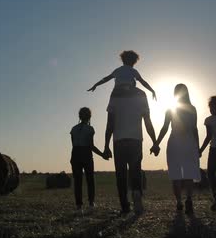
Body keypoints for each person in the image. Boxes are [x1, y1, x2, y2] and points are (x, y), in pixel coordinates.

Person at [104, 86, 156, 214]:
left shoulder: (115, 93)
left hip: (119, 140)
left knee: (120, 174)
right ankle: (137, 196)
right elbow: (147, 120)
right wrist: (154, 141)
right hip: (136, 139)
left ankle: (124, 206)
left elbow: (110, 122)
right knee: (135, 171)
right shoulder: (141, 93)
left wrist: (106, 145)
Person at [151, 84, 200, 214]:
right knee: (189, 174)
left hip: (175, 142)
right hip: (189, 142)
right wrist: (198, 146)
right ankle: (188, 199)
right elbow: (195, 128)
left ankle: (179, 202)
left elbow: (165, 128)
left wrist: (156, 143)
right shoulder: (192, 109)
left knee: (176, 174)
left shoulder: (171, 109)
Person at [70, 107, 107, 210]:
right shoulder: (90, 129)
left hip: (75, 154)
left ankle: (79, 206)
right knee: (90, 180)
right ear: (89, 117)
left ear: (79, 116)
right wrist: (102, 154)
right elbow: (91, 146)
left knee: (78, 181)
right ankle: (91, 203)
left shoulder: (73, 129)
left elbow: (73, 145)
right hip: (86, 154)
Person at [87, 50, 157, 101]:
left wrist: (96, 84)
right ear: (134, 62)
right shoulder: (133, 71)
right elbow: (143, 82)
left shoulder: (118, 70)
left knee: (111, 113)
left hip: (116, 92)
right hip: (129, 91)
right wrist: (152, 90)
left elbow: (106, 79)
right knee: (142, 95)